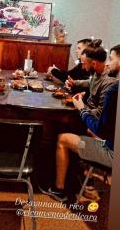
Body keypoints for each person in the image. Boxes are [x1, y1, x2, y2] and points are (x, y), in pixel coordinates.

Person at [43, 44, 120, 202]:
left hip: (109, 150)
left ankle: (59, 190)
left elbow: (99, 129)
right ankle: (74, 174)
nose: (107, 63)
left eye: (111, 59)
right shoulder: (100, 79)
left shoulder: (113, 88)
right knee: (67, 126)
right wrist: (76, 85)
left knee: (62, 138)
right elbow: (87, 83)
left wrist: (82, 108)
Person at [65, 46, 116, 118]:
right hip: (86, 110)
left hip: (90, 118)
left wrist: (81, 107)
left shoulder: (109, 82)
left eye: (84, 64)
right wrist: (74, 83)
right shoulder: (97, 73)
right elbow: (90, 82)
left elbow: (99, 114)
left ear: (94, 64)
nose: (83, 67)